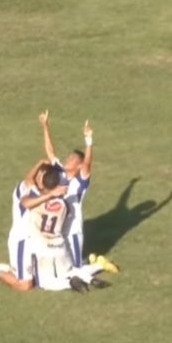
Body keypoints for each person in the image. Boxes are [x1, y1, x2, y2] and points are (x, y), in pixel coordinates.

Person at [0, 165, 99, 293]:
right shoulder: (25, 191)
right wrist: (50, 191)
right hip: (21, 241)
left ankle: (3, 268)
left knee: (34, 277)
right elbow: (27, 199)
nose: (40, 178)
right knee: (25, 285)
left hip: (35, 243)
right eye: (39, 175)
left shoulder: (41, 193)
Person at [40, 111, 116, 273]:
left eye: (73, 159)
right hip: (58, 230)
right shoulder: (59, 172)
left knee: (76, 268)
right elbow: (51, 152)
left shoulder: (80, 182)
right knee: (60, 267)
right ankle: (91, 260)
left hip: (73, 231)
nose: (68, 159)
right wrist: (45, 126)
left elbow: (88, 163)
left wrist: (88, 140)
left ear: (79, 165)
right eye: (68, 157)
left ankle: (99, 265)